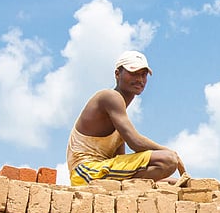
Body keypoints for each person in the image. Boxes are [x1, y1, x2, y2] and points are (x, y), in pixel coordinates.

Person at [67, 51, 185, 186]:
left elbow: (120, 161)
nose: (140, 79)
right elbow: (136, 143)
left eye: (143, 75)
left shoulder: (119, 117)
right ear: (117, 74)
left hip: (100, 172)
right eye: (133, 73)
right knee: (167, 160)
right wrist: (171, 153)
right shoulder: (110, 97)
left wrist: (166, 180)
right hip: (85, 172)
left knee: (173, 182)